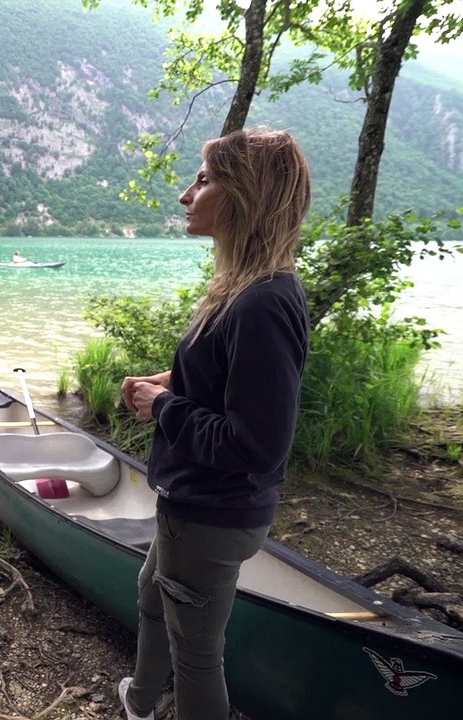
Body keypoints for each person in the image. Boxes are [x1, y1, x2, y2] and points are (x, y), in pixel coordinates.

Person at [117, 128, 311, 720]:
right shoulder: (243, 289)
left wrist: (163, 407)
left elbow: (257, 445)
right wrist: (173, 381)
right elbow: (231, 382)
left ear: (245, 194)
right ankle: (141, 700)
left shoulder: (263, 302)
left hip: (212, 513)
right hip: (192, 505)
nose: (186, 195)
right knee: (152, 596)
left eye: (202, 181)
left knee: (197, 654)